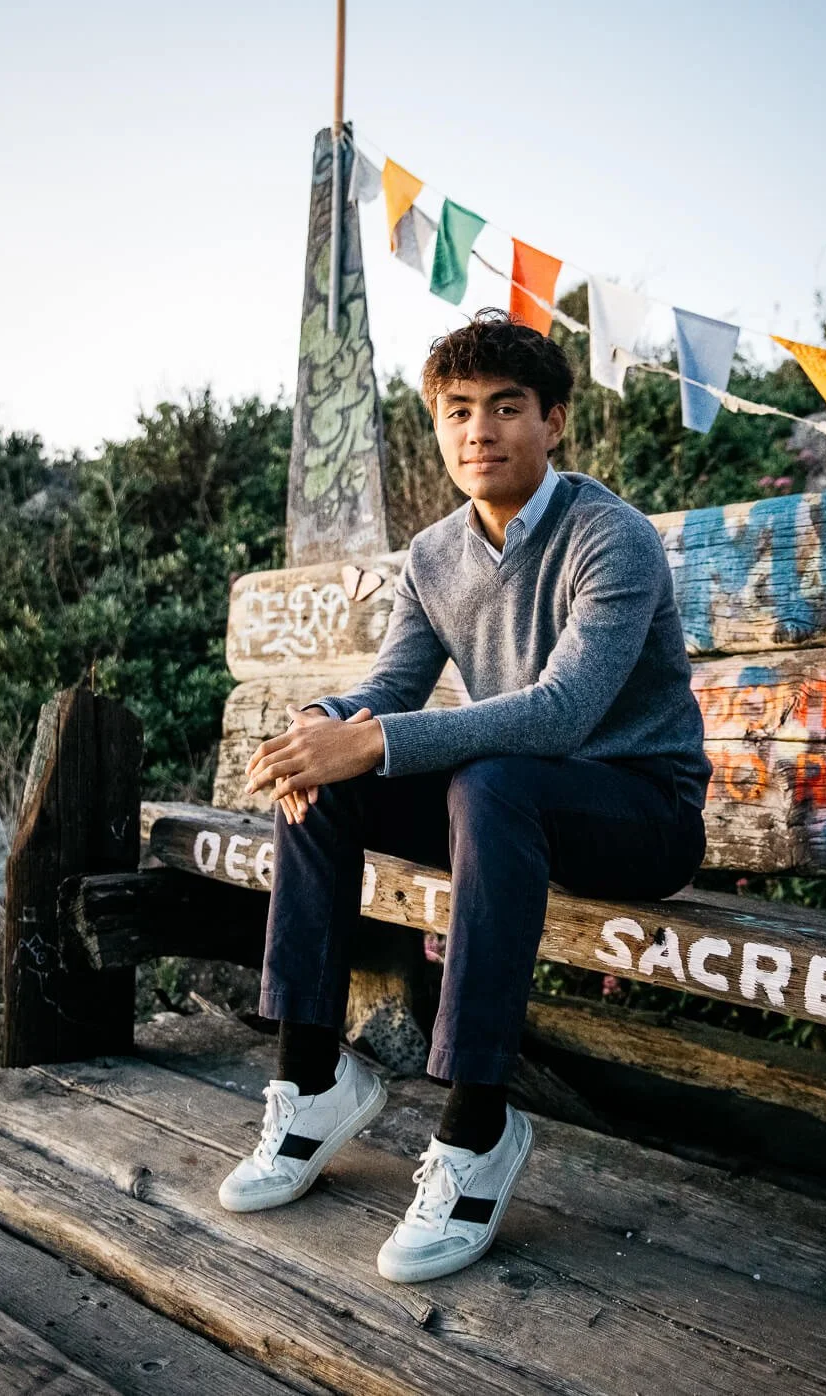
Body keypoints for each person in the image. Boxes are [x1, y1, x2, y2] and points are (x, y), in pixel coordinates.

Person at [218, 307, 711, 1285]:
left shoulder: (610, 540)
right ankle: (311, 1075)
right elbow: (390, 691)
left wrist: (371, 740)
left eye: (505, 406)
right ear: (437, 427)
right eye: (456, 411)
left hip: (641, 815)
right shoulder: (435, 555)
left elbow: (561, 715)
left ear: (554, 421)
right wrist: (321, 728)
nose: (478, 430)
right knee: (328, 785)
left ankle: (476, 1129)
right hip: (511, 807)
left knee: (488, 781)